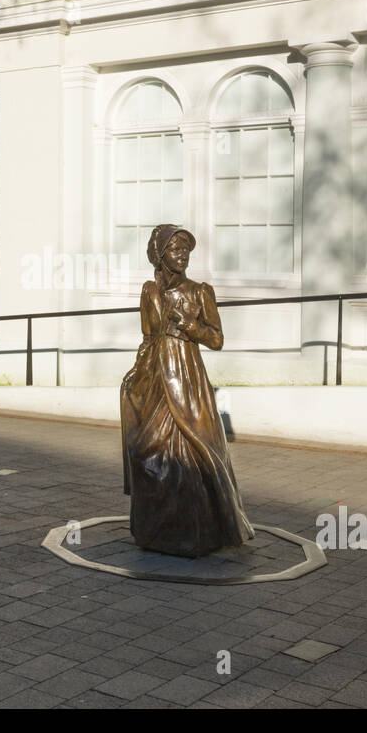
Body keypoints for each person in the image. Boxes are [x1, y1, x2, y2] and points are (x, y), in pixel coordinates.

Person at [120, 224, 256, 557]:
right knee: (145, 450)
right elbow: (148, 337)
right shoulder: (149, 291)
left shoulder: (199, 291)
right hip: (155, 375)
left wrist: (189, 325)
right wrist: (137, 369)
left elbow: (217, 339)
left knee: (194, 452)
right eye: (175, 250)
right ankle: (158, 531)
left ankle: (200, 533)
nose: (182, 256)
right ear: (160, 254)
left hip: (187, 377)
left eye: (186, 251)